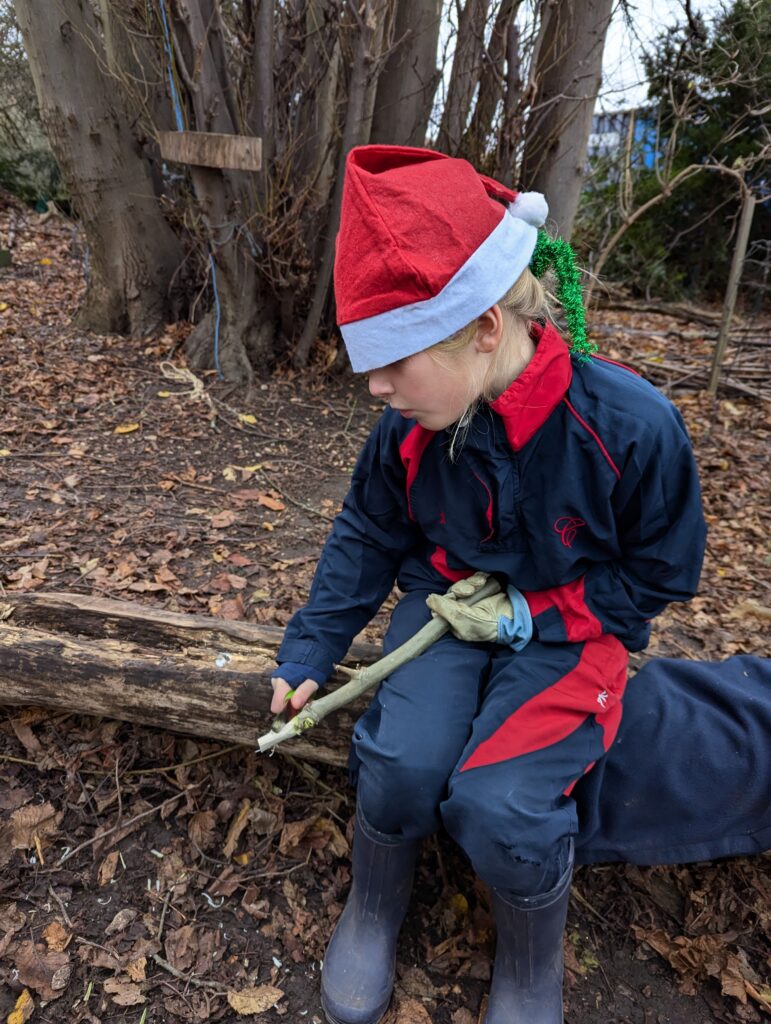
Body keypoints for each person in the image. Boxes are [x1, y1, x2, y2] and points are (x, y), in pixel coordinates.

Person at [269, 145, 706, 1024]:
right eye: (368, 359)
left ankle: (528, 966)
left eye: (397, 358)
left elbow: (661, 572)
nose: (375, 385)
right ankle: (375, 904)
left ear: (483, 327)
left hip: (573, 632)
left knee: (499, 803)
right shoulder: (409, 425)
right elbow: (368, 529)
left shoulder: (629, 428)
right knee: (399, 764)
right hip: (442, 609)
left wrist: (533, 611)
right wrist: (313, 643)